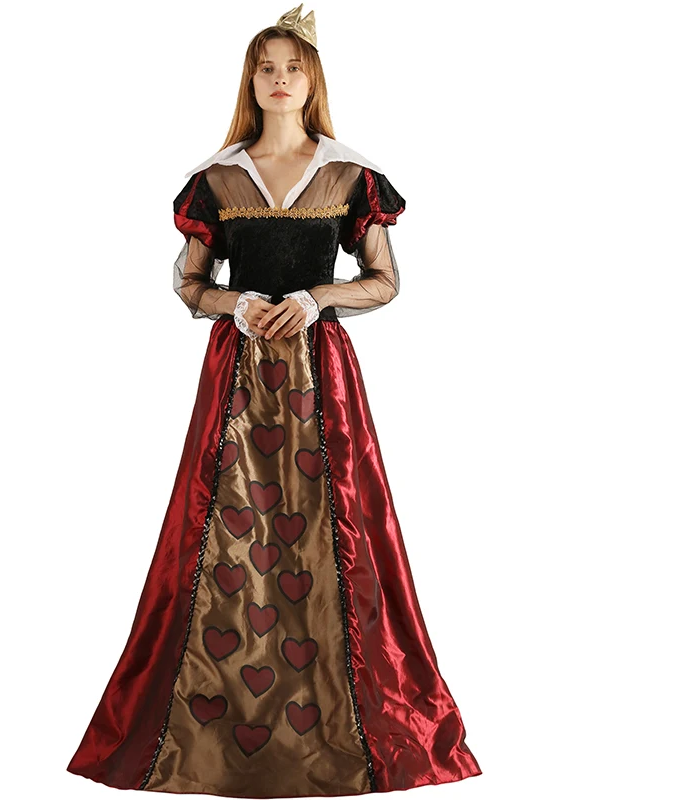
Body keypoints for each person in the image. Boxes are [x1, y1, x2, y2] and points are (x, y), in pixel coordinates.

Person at [66, 5, 482, 796]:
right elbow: (189, 283)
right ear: (250, 81)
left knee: (339, 530)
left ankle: (342, 725)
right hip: (239, 379)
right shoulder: (219, 178)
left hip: (323, 378)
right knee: (222, 532)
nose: (281, 79)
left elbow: (385, 280)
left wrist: (319, 298)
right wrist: (239, 304)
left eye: (293, 67)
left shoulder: (350, 175)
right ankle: (215, 731)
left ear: (312, 80)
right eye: (267, 68)